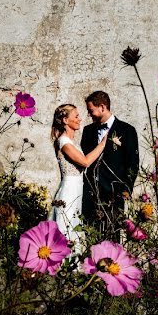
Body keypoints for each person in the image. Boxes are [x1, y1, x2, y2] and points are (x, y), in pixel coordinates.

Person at [80, 91, 139, 233]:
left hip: (114, 195)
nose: (89, 115)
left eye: (91, 110)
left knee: (112, 238)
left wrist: (125, 190)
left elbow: (133, 164)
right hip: (91, 195)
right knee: (90, 237)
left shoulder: (127, 130)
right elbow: (84, 159)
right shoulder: (88, 131)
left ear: (102, 107)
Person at [49, 104, 108, 247]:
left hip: (77, 190)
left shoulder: (73, 142)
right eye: (76, 116)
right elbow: (85, 162)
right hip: (68, 191)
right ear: (65, 120)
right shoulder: (63, 142)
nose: (80, 119)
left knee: (74, 227)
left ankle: (73, 265)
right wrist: (102, 144)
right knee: (65, 227)